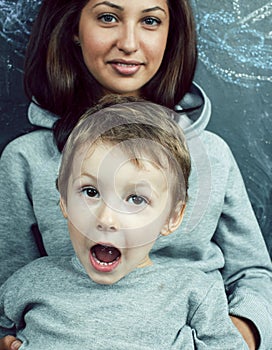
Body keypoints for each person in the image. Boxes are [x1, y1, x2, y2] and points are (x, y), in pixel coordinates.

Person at [0, 0, 271, 349]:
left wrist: (240, 334)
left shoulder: (211, 154)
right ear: (73, 29)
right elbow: (9, 287)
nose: (129, 42)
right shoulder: (26, 160)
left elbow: (253, 275)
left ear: (171, 34)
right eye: (108, 17)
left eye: (150, 21)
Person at [0, 97, 249, 349]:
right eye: (90, 192)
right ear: (64, 201)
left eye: (136, 199)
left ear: (172, 218)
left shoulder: (194, 293)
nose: (107, 219)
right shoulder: (25, 284)